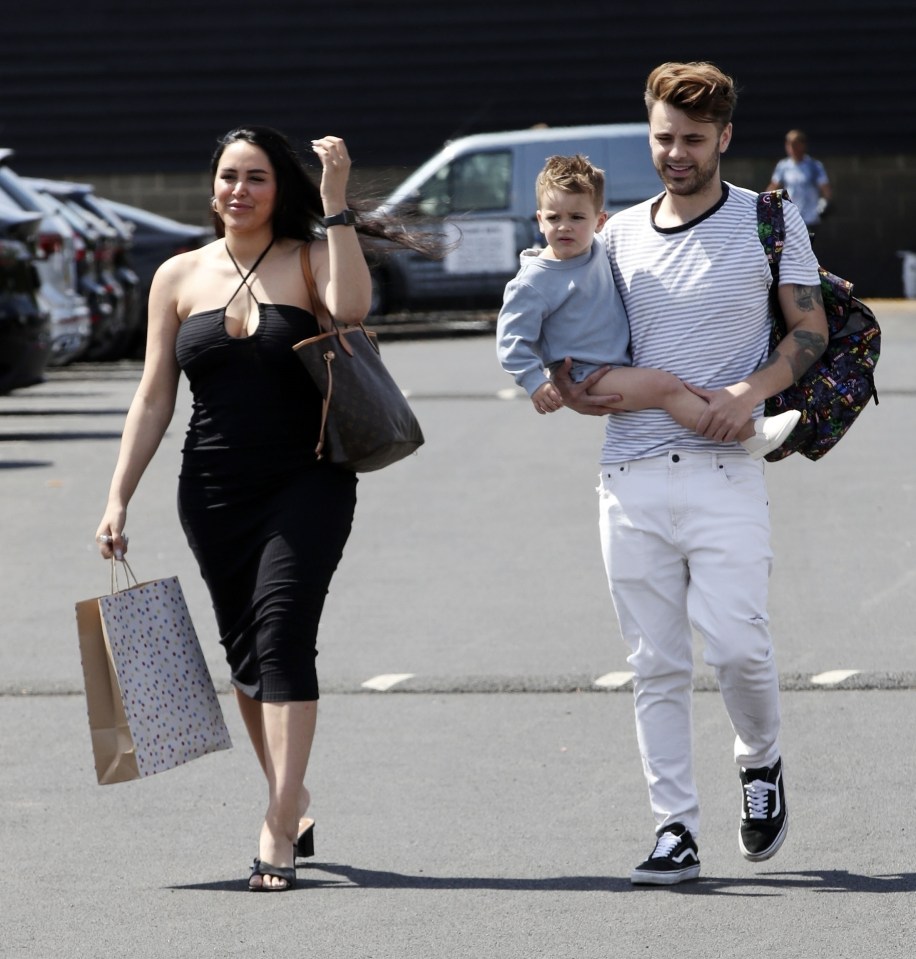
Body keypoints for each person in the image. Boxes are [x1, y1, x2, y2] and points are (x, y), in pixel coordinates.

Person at [94, 126, 429, 892]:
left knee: (281, 633)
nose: (239, 191)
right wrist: (117, 495)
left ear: (281, 189)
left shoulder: (310, 258)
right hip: (211, 489)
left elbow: (349, 309)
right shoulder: (177, 276)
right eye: (227, 177)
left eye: (256, 178)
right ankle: (293, 791)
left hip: (307, 480)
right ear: (210, 188)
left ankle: (276, 824)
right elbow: (152, 396)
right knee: (247, 655)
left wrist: (337, 204)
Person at [552, 62, 828, 885]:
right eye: (664, 136)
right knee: (656, 664)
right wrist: (579, 387)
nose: (676, 153)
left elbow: (807, 331)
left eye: (694, 140)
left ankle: (760, 759)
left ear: (726, 139)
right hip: (629, 475)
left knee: (740, 648)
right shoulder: (618, 236)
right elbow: (580, 359)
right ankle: (674, 826)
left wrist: (751, 390)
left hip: (726, 470)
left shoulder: (767, 220)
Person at [496, 154, 800, 459]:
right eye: (553, 218)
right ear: (539, 219)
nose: (564, 227)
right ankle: (750, 434)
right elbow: (511, 339)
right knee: (664, 387)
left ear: (600, 222)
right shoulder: (533, 281)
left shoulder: (599, 247)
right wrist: (535, 381)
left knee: (676, 384)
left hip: (614, 366)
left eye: (576, 218)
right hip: (588, 375)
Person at [766, 129, 832, 230]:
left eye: (795, 144)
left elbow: (825, 189)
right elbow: (773, 187)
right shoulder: (783, 166)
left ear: (803, 145)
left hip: (810, 218)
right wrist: (765, 203)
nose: (792, 148)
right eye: (789, 144)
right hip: (791, 218)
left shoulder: (814, 166)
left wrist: (825, 203)